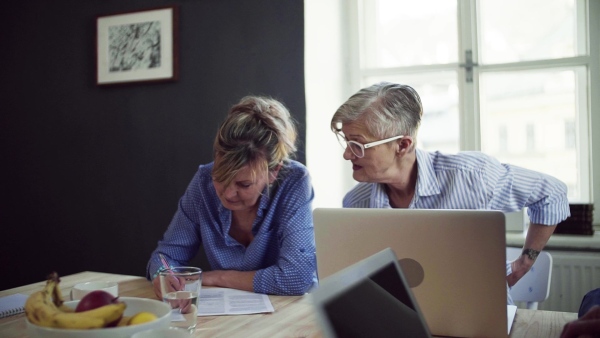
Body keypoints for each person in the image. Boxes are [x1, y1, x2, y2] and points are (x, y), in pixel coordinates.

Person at [330, 82, 570, 303]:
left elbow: (552, 193)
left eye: (358, 145)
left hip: (479, 315)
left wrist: (522, 265)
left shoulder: (472, 176)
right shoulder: (355, 202)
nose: (347, 154)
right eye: (347, 142)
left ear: (402, 145)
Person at [147, 96, 317, 297]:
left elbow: (296, 278)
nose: (228, 194)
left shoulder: (294, 181)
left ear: (274, 172)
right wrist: (162, 274)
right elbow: (165, 256)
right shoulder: (203, 182)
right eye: (220, 177)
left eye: (244, 184)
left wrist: (219, 277)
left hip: (288, 316)